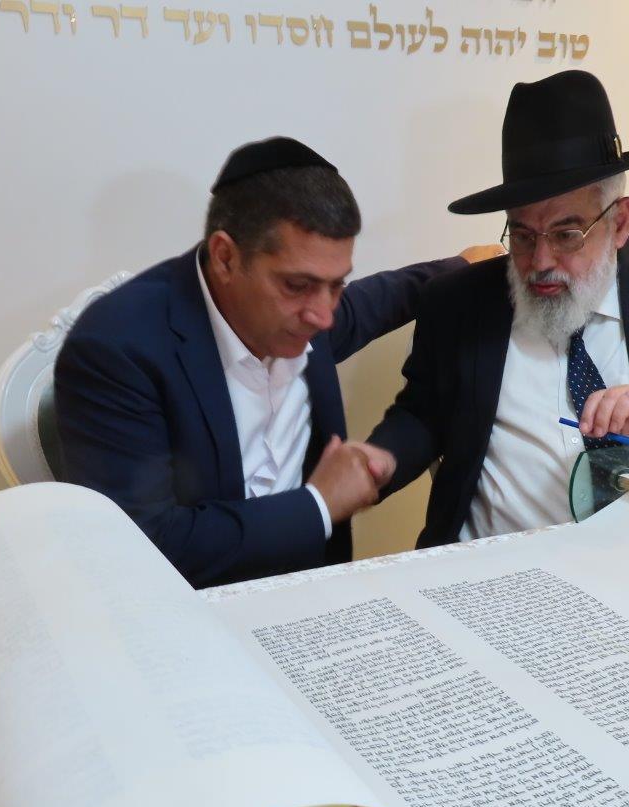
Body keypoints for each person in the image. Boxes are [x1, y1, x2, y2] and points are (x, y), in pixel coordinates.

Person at [364, 70, 629, 547]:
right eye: (523, 235)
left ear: (620, 221)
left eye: (567, 234)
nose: (541, 261)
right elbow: (422, 415)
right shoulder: (458, 301)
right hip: (494, 565)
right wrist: (369, 467)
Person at [55, 136, 499, 586]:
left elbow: (379, 299)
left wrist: (462, 266)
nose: (324, 316)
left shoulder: (305, 312)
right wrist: (319, 504)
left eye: (336, 284)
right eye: (298, 286)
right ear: (226, 257)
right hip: (194, 609)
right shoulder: (117, 350)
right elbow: (146, 546)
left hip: (318, 595)